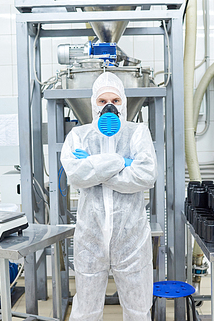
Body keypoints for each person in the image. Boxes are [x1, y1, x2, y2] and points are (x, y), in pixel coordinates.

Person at [60, 72, 158, 320]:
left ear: (123, 102)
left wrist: (94, 166)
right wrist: (121, 162)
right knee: (86, 309)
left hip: (131, 237)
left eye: (115, 100)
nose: (109, 107)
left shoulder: (137, 133)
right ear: (94, 104)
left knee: (137, 309)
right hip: (90, 239)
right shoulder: (78, 136)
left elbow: (145, 176)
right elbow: (76, 176)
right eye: (103, 102)